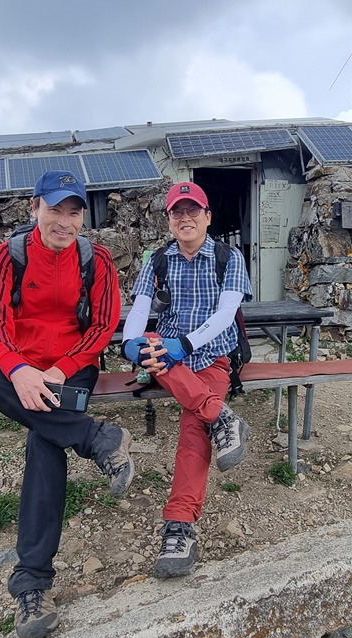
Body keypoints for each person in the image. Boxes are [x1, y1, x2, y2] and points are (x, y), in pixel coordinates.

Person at [0, 169, 134, 638]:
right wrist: (19, 370)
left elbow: (103, 325)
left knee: (44, 439)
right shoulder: (9, 255)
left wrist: (62, 368)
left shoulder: (96, 259)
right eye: (55, 209)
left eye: (74, 212)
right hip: (21, 365)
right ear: (34, 207)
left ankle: (31, 584)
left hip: (71, 369)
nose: (65, 221)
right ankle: (96, 438)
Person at [120, 181, 253, 579]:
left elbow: (226, 314)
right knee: (153, 347)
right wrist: (130, 344)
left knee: (194, 430)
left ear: (207, 217)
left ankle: (180, 525)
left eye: (193, 210)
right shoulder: (158, 260)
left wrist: (186, 344)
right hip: (167, 357)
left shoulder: (229, 257)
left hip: (210, 356)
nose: (185, 217)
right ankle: (222, 416)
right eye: (177, 211)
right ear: (169, 220)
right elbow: (139, 311)